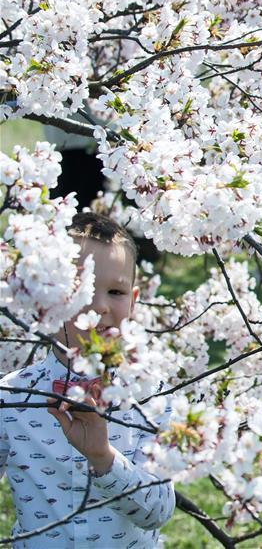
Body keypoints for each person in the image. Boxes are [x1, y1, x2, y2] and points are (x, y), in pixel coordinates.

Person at [0, 212, 176, 548]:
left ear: (134, 302)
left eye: (115, 292)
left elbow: (160, 510)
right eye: (82, 290)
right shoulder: (12, 396)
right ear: (46, 299)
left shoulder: (152, 394)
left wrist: (103, 458)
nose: (100, 306)